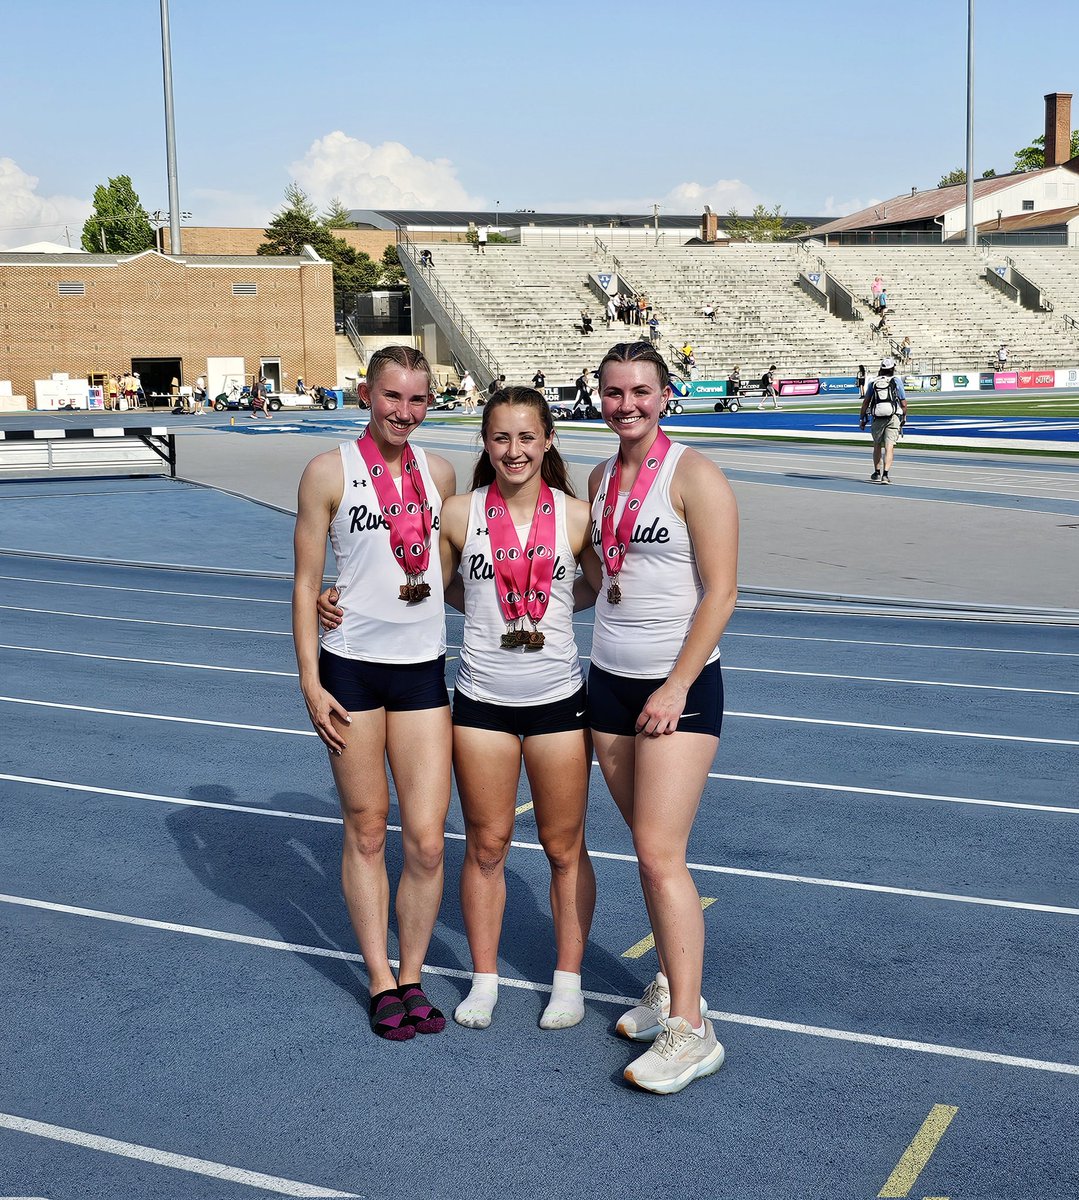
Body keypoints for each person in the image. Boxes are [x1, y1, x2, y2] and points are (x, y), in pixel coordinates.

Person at [583, 341, 738, 1094]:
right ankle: (678, 988)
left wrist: (676, 685)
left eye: (640, 391)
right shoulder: (599, 476)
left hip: (677, 690)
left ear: (665, 395)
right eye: (613, 393)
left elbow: (721, 592)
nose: (626, 405)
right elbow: (591, 581)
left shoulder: (696, 477)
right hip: (607, 683)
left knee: (657, 851)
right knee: (644, 848)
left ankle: (693, 1031)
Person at [292, 344, 457, 1041]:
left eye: (417, 399)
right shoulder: (328, 470)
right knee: (365, 829)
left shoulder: (440, 471)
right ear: (367, 393)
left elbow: (458, 567)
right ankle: (379, 979)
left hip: (421, 667)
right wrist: (307, 677)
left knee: (423, 841)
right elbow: (305, 581)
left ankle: (413, 971)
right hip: (350, 668)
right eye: (393, 397)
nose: (404, 412)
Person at [436, 386, 597, 1031]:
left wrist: (544, 612)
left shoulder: (578, 516)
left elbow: (606, 585)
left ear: (548, 440)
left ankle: (567, 978)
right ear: (484, 443)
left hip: (558, 698)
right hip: (481, 698)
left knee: (564, 847)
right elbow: (427, 582)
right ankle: (485, 977)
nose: (514, 450)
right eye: (501, 438)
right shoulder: (457, 513)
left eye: (527, 437)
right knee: (486, 845)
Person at [859, 356, 907, 484]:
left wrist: (862, 419)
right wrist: (904, 417)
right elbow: (903, 402)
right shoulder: (896, 381)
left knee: (877, 445)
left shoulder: (873, 382)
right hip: (893, 416)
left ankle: (876, 472)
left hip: (877, 417)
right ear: (892, 369)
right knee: (889, 446)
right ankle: (885, 475)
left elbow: (866, 402)